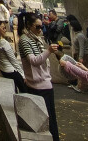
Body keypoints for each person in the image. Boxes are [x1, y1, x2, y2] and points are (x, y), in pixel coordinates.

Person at [20, 12, 62, 141]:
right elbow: (34, 61)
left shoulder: (37, 38)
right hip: (36, 85)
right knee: (44, 123)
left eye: (41, 26)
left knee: (51, 121)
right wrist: (48, 51)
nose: (40, 29)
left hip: (46, 83)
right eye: (37, 27)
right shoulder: (25, 40)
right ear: (28, 25)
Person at [0, 19, 27, 93]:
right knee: (24, 91)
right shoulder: (4, 43)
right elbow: (13, 60)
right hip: (11, 70)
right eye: (3, 28)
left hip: (4, 70)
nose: (5, 30)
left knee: (14, 91)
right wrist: (23, 75)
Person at [68, 15, 88, 94]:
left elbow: (81, 47)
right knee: (83, 71)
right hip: (79, 55)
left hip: (83, 55)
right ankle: (84, 86)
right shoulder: (77, 35)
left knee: (84, 71)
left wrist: (80, 57)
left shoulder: (80, 36)